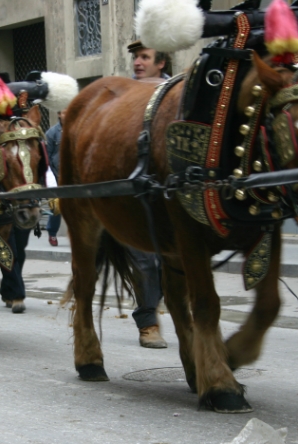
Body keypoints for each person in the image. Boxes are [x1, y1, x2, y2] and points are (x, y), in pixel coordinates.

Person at [126, 39, 170, 348]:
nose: (138, 62)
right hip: (133, 193)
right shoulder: (126, 96)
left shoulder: (176, 93)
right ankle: (148, 321)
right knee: (143, 259)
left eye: (145, 57)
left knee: (171, 260)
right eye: (136, 57)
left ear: (161, 63)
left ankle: (156, 301)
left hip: (170, 192)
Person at [45, 109, 66, 246]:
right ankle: (52, 233)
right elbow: (47, 157)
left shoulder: (75, 129)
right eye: (64, 112)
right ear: (59, 114)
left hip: (72, 176)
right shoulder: (51, 133)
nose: (67, 115)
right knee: (56, 207)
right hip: (56, 175)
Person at [0, 226, 31, 314]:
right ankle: (17, 295)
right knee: (8, 250)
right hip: (2, 214)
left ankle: (7, 290)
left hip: (22, 213)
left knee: (19, 250)